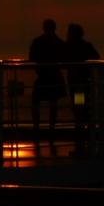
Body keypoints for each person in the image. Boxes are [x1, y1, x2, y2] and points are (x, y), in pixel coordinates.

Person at [28, 19, 66, 150]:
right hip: (55, 76)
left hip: (43, 76)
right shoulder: (60, 42)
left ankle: (36, 127)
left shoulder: (37, 42)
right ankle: (51, 127)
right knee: (53, 103)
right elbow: (64, 58)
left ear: (44, 28)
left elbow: (32, 58)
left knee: (35, 102)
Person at [63, 23, 100, 155]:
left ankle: (81, 138)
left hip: (76, 84)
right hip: (85, 81)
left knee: (78, 109)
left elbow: (63, 60)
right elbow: (97, 57)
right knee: (85, 108)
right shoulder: (86, 45)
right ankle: (87, 135)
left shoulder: (67, 46)